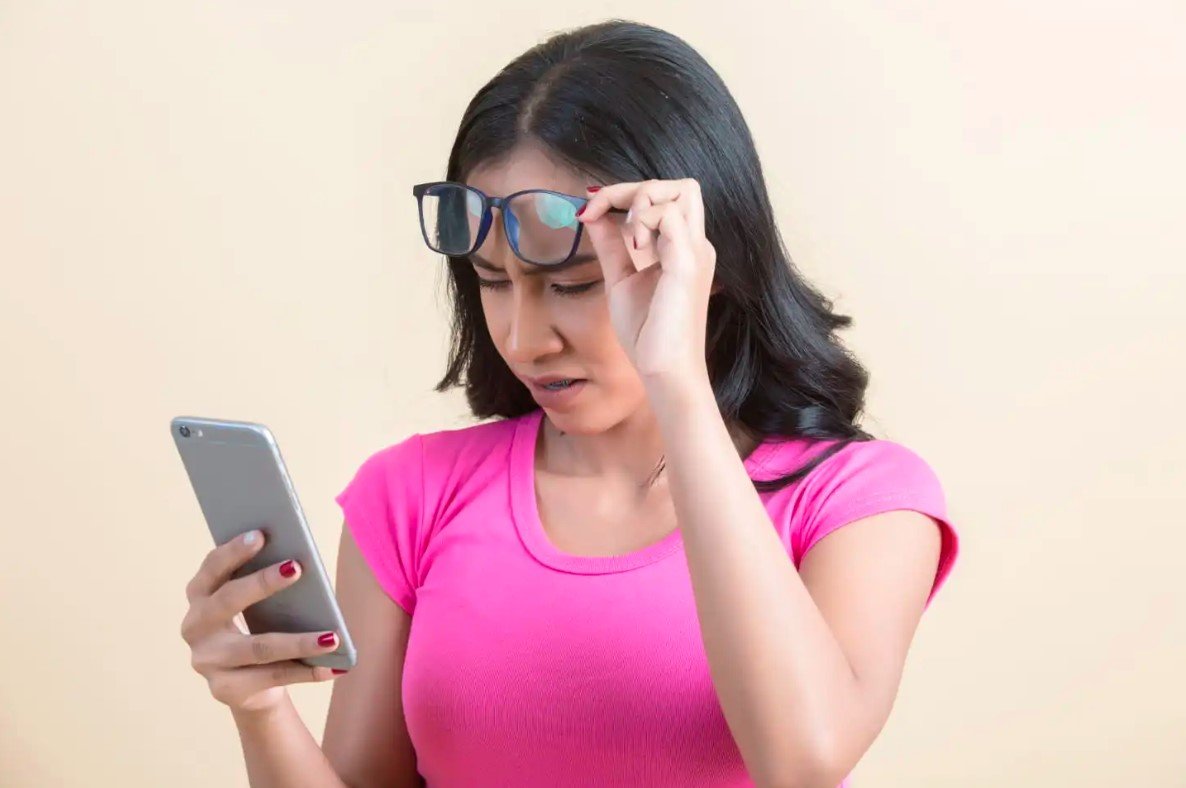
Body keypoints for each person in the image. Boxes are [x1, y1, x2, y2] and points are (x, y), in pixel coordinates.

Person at [180, 18, 959, 788]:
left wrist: (677, 379)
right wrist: (260, 708)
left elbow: (802, 761)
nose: (524, 339)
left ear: (704, 264)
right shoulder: (410, 495)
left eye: (576, 283)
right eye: (491, 280)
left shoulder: (856, 501)